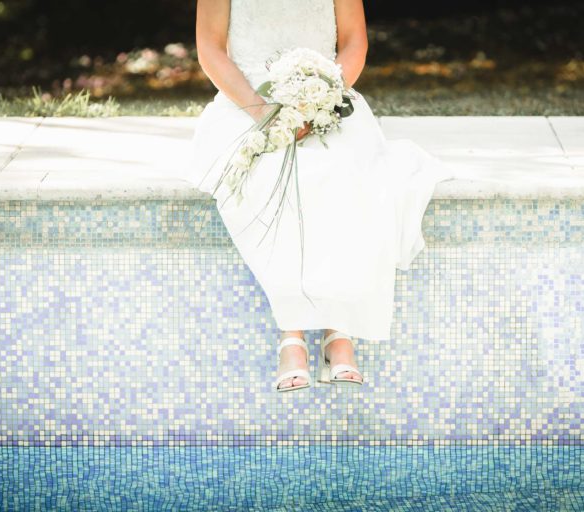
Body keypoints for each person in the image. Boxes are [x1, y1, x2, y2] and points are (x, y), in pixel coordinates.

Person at [190, 0, 457, 392]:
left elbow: (354, 44)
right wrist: (263, 111)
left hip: (329, 104)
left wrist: (321, 101)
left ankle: (339, 330)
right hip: (244, 106)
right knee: (275, 173)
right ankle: (292, 335)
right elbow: (210, 50)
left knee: (349, 170)